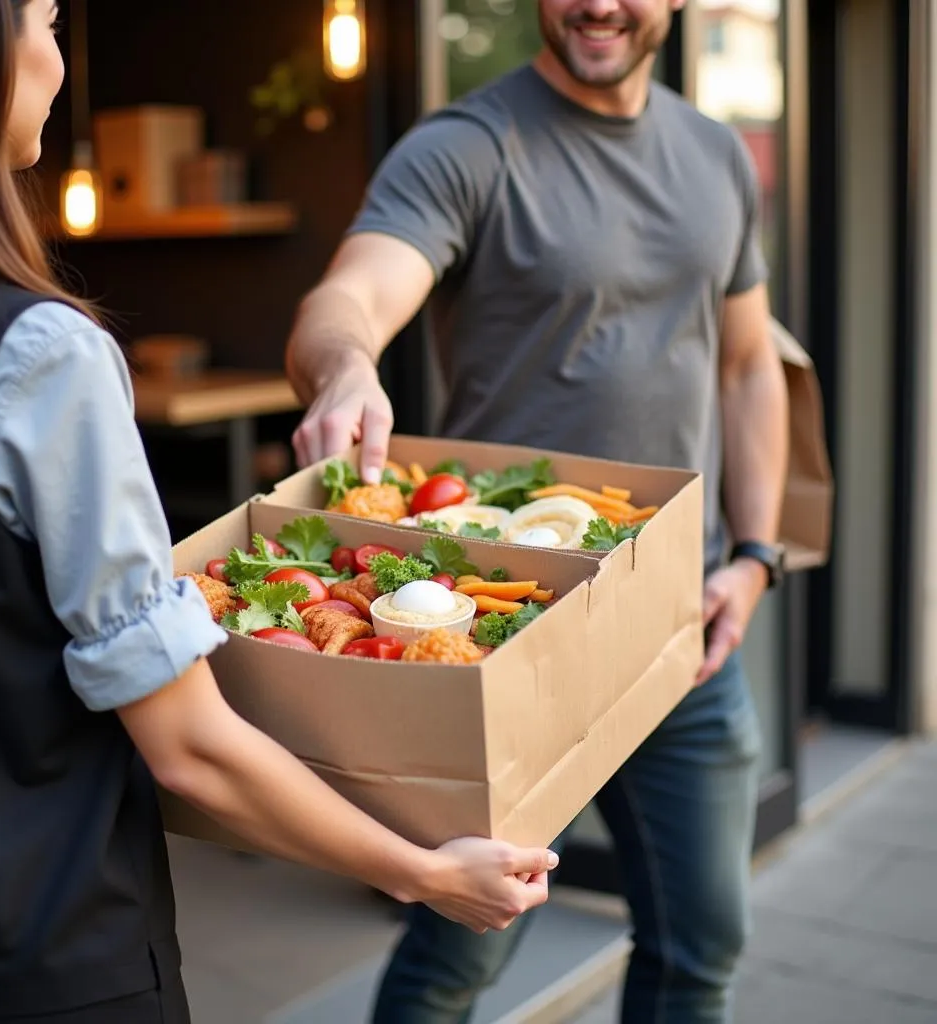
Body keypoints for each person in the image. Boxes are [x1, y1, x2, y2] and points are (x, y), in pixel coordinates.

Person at [0, 2, 560, 1021]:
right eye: (42, 18)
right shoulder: (36, 355)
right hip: (46, 958)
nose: (55, 55)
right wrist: (422, 869)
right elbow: (190, 745)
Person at [284, 0, 791, 1020]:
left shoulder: (712, 155)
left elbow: (747, 364)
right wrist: (343, 368)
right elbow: (349, 299)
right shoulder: (467, 147)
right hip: (510, 642)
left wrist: (754, 554)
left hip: (675, 631)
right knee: (453, 957)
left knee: (701, 947)